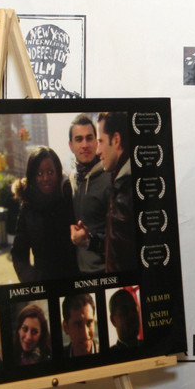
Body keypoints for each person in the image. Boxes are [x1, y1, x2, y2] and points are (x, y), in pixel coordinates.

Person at [11, 146, 78, 282]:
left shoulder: (68, 199)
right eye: (39, 174)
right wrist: (32, 280)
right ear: (32, 176)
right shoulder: (28, 208)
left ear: (58, 173)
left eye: (50, 172)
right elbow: (19, 254)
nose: (46, 178)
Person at [63, 114, 109, 274]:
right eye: (79, 139)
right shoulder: (72, 180)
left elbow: (123, 239)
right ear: (71, 145)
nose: (85, 145)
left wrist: (89, 241)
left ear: (96, 141)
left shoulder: (110, 177)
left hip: (106, 272)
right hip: (79, 273)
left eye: (89, 138)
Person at [97, 112, 136, 273]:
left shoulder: (125, 193)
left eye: (101, 141)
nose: (97, 151)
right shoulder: (120, 183)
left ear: (116, 140)